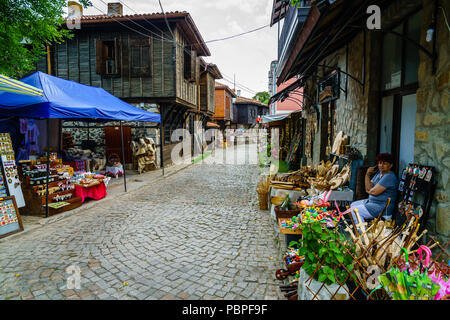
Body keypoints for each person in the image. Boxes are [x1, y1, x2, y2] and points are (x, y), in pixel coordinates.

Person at [350, 153, 398, 224]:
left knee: (355, 210)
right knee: (353, 205)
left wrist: (370, 190)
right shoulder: (379, 173)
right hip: (373, 202)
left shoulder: (389, 176)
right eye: (380, 163)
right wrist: (367, 174)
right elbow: (368, 189)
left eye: (384, 163)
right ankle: (361, 228)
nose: (381, 165)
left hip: (382, 207)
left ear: (390, 165)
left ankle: (362, 232)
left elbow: (372, 192)